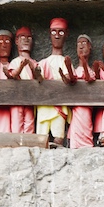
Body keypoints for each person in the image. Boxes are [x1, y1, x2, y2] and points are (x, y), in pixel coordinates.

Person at [36, 18, 74, 147]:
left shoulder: (66, 61)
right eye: (54, 32)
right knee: (41, 137)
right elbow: (38, 79)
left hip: (59, 106)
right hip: (44, 105)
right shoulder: (43, 63)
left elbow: (70, 79)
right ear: (49, 33)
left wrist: (65, 75)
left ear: (66, 34)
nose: (57, 36)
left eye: (61, 32)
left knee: (58, 137)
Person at [68, 35, 98, 148]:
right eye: (79, 44)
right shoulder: (75, 70)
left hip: (86, 107)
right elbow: (71, 79)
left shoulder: (92, 70)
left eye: (84, 43)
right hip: (75, 107)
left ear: (90, 47)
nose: (81, 46)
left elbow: (90, 78)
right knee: (75, 126)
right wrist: (67, 69)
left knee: (86, 123)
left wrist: (85, 65)